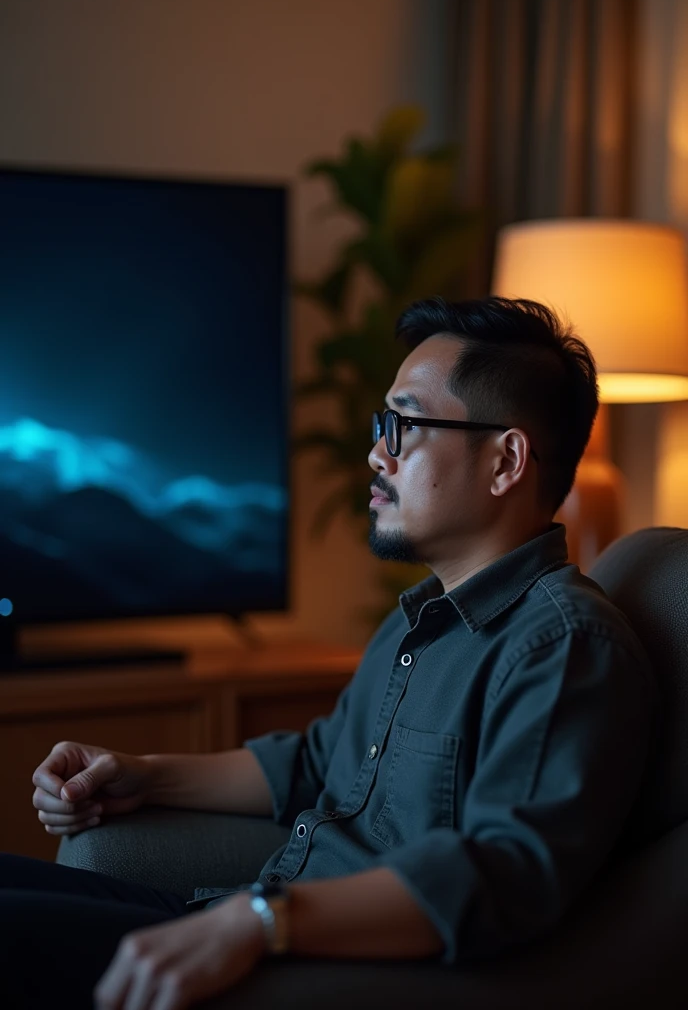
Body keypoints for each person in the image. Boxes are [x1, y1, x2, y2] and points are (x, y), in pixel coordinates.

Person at [0, 297, 656, 1010]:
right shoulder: (417, 624)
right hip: (244, 920)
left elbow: (505, 872)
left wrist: (259, 923)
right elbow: (317, 762)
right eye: (383, 425)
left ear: (505, 462)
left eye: (402, 425)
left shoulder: (562, 645)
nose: (377, 452)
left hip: (312, 968)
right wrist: (141, 774)